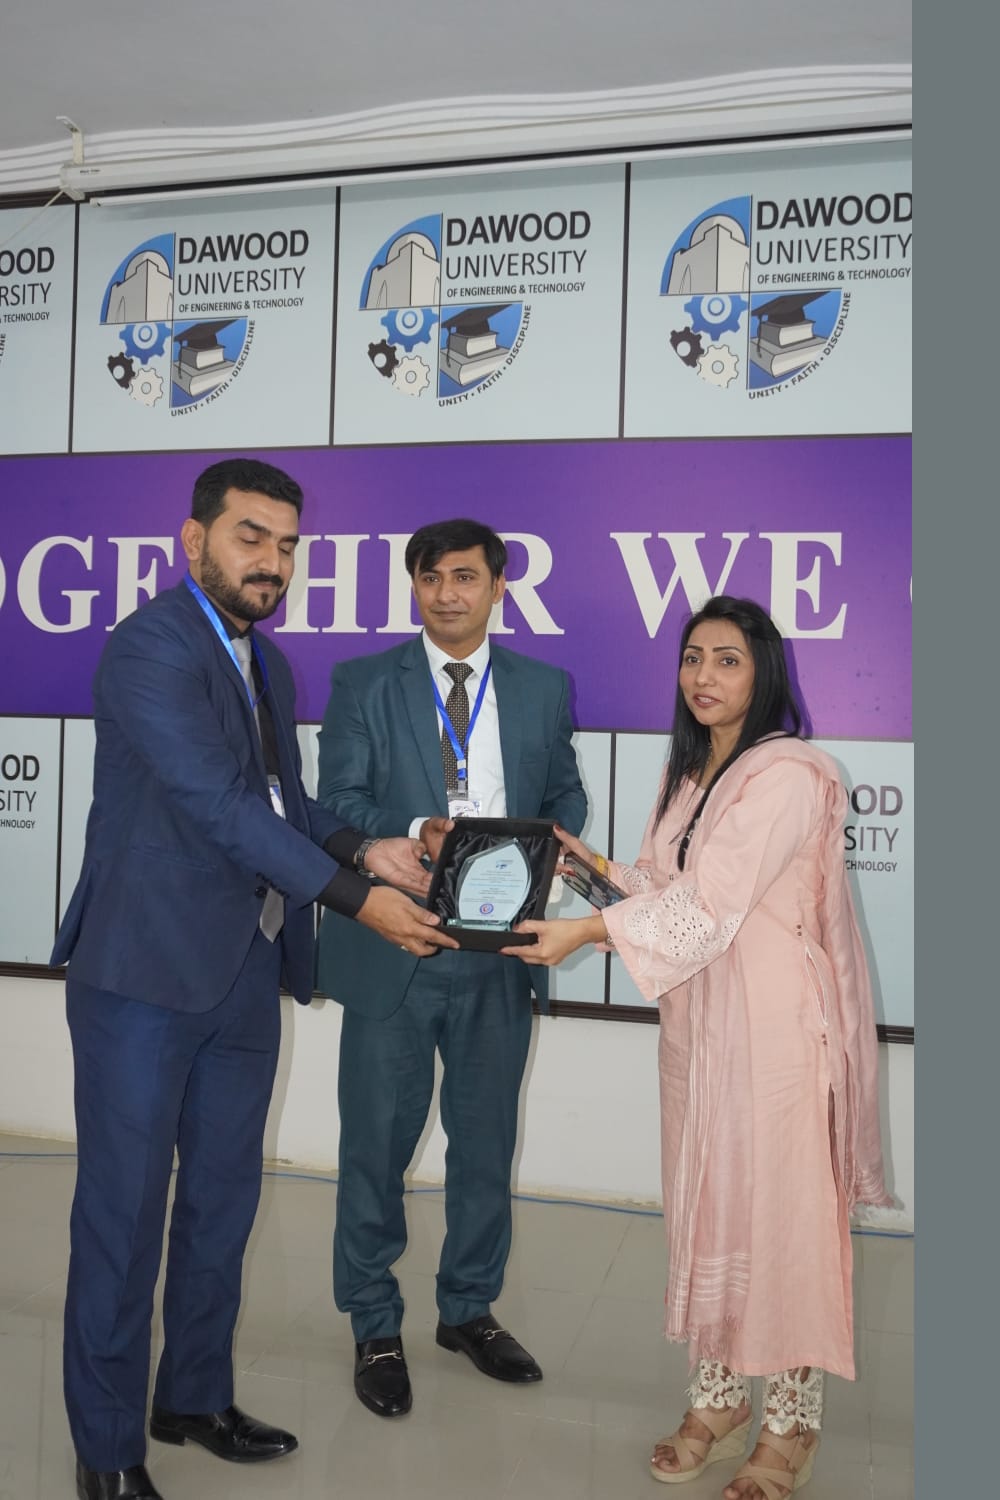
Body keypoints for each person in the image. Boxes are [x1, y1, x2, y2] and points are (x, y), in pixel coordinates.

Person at [52, 458, 455, 1500]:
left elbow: (281, 804)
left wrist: (367, 850)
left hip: (244, 971)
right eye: (250, 537)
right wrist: (356, 901)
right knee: (123, 1218)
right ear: (193, 541)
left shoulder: (266, 662)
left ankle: (192, 1397)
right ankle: (107, 1451)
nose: (272, 561)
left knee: (221, 1204)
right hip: (142, 975)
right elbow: (214, 804)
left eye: (286, 544)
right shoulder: (148, 646)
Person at [503, 595, 891, 1499]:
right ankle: (717, 1401)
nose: (703, 677)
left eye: (726, 660)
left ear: (764, 672)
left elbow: (710, 907)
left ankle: (790, 1423)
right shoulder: (689, 772)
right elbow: (662, 884)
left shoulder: (790, 771)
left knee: (782, 1222)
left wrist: (586, 932)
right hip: (702, 1028)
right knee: (708, 1207)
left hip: (778, 1034)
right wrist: (589, 868)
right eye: (691, 659)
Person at [315, 517, 587, 1419]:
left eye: (465, 577)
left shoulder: (544, 687)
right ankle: (374, 1322)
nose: (446, 594)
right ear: (415, 587)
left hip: (501, 952)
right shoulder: (364, 682)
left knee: (485, 1146)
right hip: (397, 940)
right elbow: (338, 801)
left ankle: (468, 1309)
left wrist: (555, 848)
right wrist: (412, 831)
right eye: (430, 578)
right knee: (374, 1148)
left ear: (498, 586)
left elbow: (565, 792)